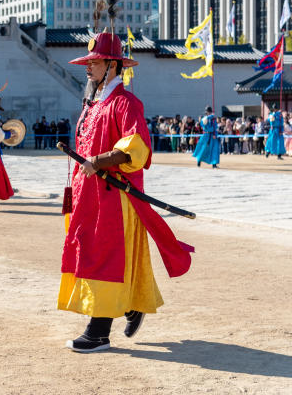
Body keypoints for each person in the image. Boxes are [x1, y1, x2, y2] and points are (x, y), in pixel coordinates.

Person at [59, 31, 194, 352]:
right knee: (91, 250)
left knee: (104, 256)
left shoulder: (125, 102)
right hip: (89, 192)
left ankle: (99, 330)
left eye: (95, 62)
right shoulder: (94, 103)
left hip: (113, 195)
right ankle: (131, 304)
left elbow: (136, 146)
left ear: (113, 66)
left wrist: (100, 160)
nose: (88, 67)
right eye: (88, 62)